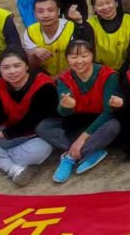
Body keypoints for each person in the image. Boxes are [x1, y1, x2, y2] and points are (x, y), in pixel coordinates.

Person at [0, 50, 58, 185]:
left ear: (27, 66)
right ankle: (11, 166)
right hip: (8, 131)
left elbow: (35, 120)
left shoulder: (44, 84)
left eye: (17, 66)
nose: (12, 71)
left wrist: (2, 134)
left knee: (42, 149)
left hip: (33, 135)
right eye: (6, 67)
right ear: (0, 69)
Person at [39, 39, 122, 183]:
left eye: (84, 56)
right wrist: (66, 107)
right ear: (67, 58)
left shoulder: (108, 75)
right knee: (43, 127)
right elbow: (63, 113)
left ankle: (69, 157)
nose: (79, 61)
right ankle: (90, 152)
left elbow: (108, 112)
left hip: (99, 121)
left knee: (113, 126)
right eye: (73, 57)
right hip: (75, 121)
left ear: (92, 55)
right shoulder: (64, 79)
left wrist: (81, 139)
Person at [84, 0, 130, 70]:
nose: (105, 7)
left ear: (116, 3)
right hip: (98, 70)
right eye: (100, 5)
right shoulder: (90, 24)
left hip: (127, 69)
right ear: (94, 8)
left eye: (108, 3)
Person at [25, 0, 75, 78]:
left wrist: (54, 79)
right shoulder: (30, 31)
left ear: (58, 11)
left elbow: (79, 60)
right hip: (44, 76)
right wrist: (34, 51)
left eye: (50, 10)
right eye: (40, 11)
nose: (46, 15)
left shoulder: (72, 28)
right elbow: (31, 64)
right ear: (34, 13)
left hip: (71, 76)